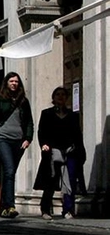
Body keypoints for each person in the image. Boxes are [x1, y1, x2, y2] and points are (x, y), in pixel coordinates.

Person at [0, 71, 33, 219]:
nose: (14, 84)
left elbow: (29, 121)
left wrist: (28, 138)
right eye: (11, 81)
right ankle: (10, 206)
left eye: (16, 81)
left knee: (9, 174)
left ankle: (4, 207)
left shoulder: (23, 101)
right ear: (6, 83)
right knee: (9, 171)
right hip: (2, 139)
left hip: (18, 141)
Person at [33, 86, 83, 220]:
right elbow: (41, 131)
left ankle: (68, 209)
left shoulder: (72, 115)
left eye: (63, 95)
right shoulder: (47, 113)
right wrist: (43, 144)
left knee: (69, 180)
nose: (60, 97)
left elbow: (77, 134)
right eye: (58, 95)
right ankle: (45, 209)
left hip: (69, 150)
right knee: (51, 180)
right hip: (52, 151)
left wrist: (80, 150)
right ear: (53, 98)